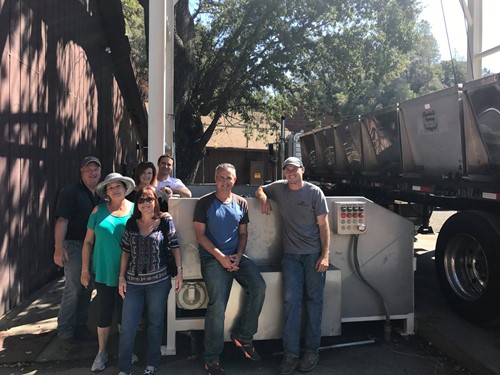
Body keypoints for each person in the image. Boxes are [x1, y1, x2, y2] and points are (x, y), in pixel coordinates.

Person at [255, 157, 330, 375]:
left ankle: (312, 351)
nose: (290, 173)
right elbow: (260, 188)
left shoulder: (315, 193)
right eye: (287, 170)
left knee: (314, 302)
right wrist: (263, 198)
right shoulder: (280, 188)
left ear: (302, 170)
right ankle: (291, 355)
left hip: (313, 255)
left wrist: (325, 256)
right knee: (291, 304)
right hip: (291, 258)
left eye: (294, 169)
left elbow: (324, 226)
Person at [193, 163, 266, 375]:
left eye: (230, 178)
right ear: (215, 179)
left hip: (237, 256)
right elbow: (200, 236)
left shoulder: (241, 203)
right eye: (222, 177)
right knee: (217, 307)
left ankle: (243, 335)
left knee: (259, 287)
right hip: (212, 259)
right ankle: (212, 359)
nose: (226, 181)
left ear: (235, 180)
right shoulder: (204, 203)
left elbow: (243, 234)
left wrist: (238, 255)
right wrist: (221, 258)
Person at [117, 186, 183, 375]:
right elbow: (125, 252)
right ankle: (124, 368)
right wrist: (121, 278)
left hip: (159, 282)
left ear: (155, 201)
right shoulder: (131, 223)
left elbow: (175, 246)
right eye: (142, 200)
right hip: (134, 284)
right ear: (137, 204)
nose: (146, 203)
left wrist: (179, 272)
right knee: (128, 326)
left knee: (155, 324)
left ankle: (151, 364)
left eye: (149, 199)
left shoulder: (164, 221)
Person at [81, 172, 135, 372]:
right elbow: (88, 242)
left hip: (129, 273)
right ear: (106, 191)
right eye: (110, 187)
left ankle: (125, 350)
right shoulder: (98, 210)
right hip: (103, 271)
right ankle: (101, 352)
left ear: (124, 187)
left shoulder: (134, 209)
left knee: (125, 313)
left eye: (117, 185)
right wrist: (85, 270)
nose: (114, 189)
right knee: (104, 312)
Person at [53, 156, 102, 353]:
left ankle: (80, 326)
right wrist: (58, 248)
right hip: (73, 245)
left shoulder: (100, 194)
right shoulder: (70, 192)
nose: (93, 172)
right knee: (73, 289)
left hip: (93, 247)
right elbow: (62, 220)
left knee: (87, 287)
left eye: (96, 169)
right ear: (82, 172)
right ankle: (64, 332)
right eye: (89, 169)